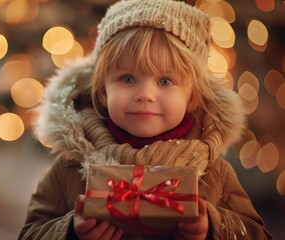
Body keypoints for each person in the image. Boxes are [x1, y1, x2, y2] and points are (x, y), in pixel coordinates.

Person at [19, 0, 274, 239]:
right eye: (128, 79)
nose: (145, 95)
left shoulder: (213, 173)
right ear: (103, 92)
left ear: (193, 97)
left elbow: (255, 233)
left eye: (165, 81)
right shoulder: (70, 168)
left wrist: (211, 227)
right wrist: (71, 232)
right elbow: (31, 232)